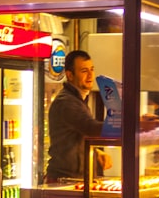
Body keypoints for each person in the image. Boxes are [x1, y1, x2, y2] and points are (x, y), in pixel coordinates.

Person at [45, 50, 111, 183]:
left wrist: (96, 152)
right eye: (84, 71)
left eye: (92, 69)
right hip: (63, 181)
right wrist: (124, 124)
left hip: (74, 180)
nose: (91, 75)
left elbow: (76, 136)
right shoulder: (66, 102)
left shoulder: (79, 99)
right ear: (70, 75)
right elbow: (90, 128)